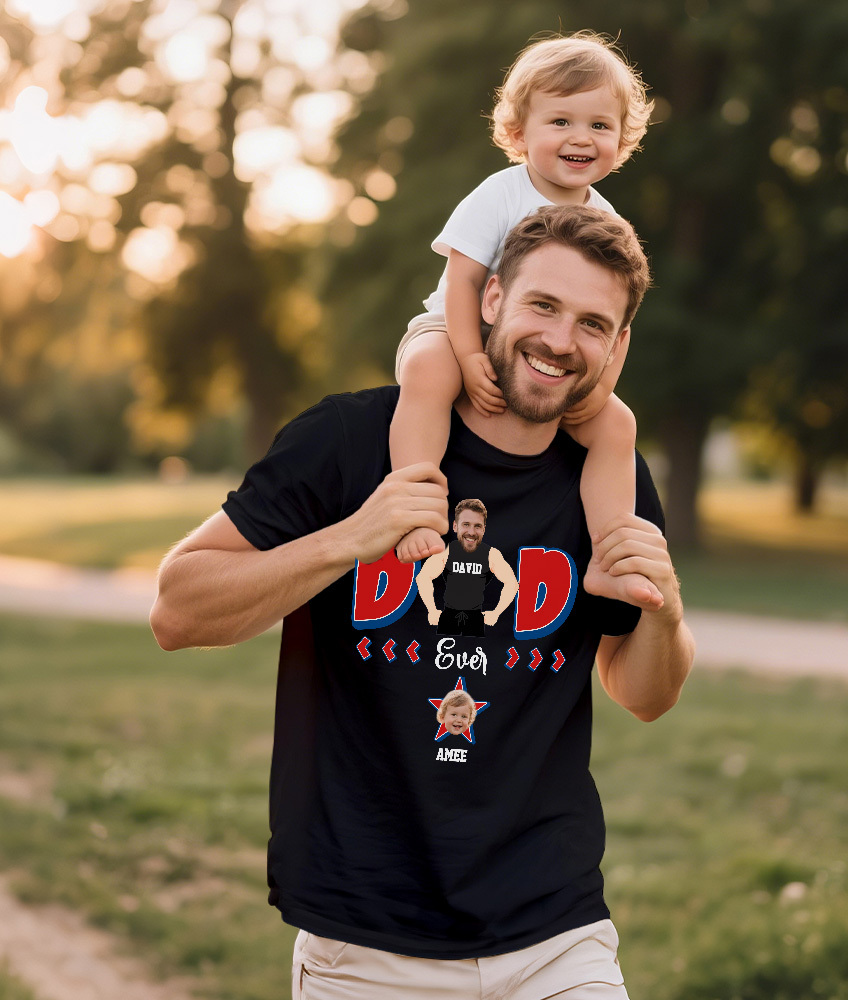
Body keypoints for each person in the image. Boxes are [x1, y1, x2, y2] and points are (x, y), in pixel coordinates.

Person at [150, 204, 695, 999]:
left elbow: (643, 693)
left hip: (556, 934)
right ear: (491, 298)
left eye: (592, 322)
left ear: (618, 346)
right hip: (365, 945)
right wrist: (350, 538)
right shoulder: (349, 440)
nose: (559, 340)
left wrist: (665, 612)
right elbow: (177, 610)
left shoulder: (608, 484)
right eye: (543, 305)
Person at [391, 32, 660, 613]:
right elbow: (465, 284)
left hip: (545, 360)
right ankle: (412, 506)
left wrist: (601, 389)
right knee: (429, 373)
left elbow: (617, 318)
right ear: (519, 132)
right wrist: (469, 356)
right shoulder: (498, 195)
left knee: (617, 426)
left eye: (599, 125)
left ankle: (611, 558)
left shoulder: (606, 221)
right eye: (560, 121)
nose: (581, 138)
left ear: (622, 138)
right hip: (454, 329)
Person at [416, 497, 519, 636]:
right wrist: (432, 610)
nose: (471, 532)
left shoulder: (491, 554)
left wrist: (496, 613)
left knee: (476, 653)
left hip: (476, 619)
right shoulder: (446, 552)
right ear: (455, 526)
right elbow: (423, 577)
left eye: (477, 526)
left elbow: (512, 583)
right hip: (448, 617)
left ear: (484, 529)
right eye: (466, 524)